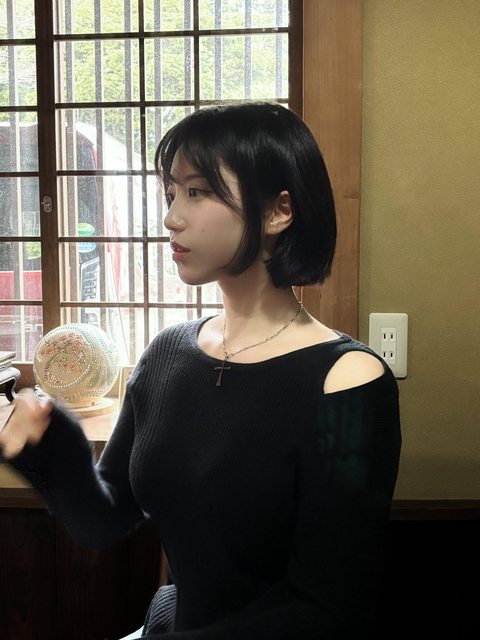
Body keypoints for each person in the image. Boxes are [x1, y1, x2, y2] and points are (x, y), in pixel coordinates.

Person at [0, 102, 401, 639]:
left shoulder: (349, 383)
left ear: (279, 211)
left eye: (197, 191)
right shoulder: (168, 353)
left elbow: (327, 610)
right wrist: (45, 445)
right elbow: (106, 517)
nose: (172, 217)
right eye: (171, 193)